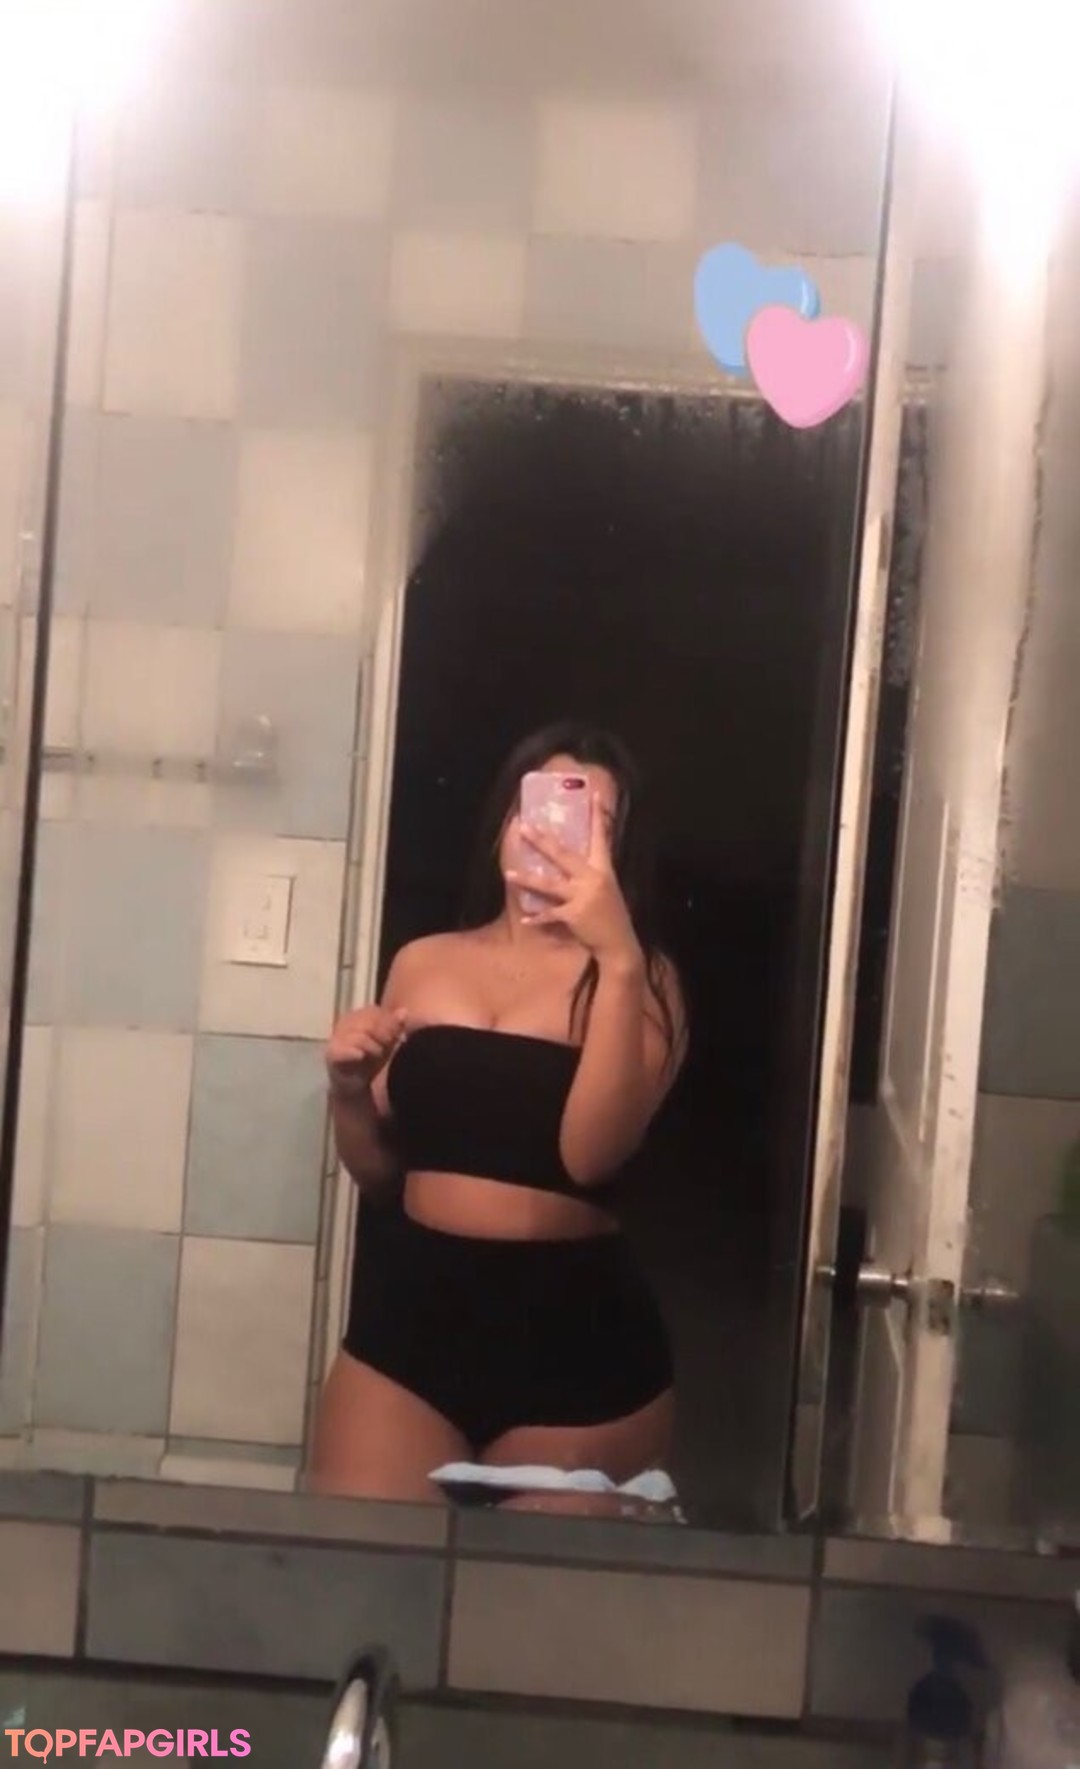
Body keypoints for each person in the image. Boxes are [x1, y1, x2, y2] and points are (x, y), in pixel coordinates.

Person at [308, 722, 688, 1504]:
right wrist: (348, 1089)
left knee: (528, 1583)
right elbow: (382, 1176)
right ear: (504, 824)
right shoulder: (422, 960)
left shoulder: (643, 980)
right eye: (539, 808)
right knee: (357, 1561)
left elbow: (592, 1155)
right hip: (412, 1315)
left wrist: (616, 956)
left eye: (593, 822)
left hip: (577, 1339)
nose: (555, 836)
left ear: (618, 855)